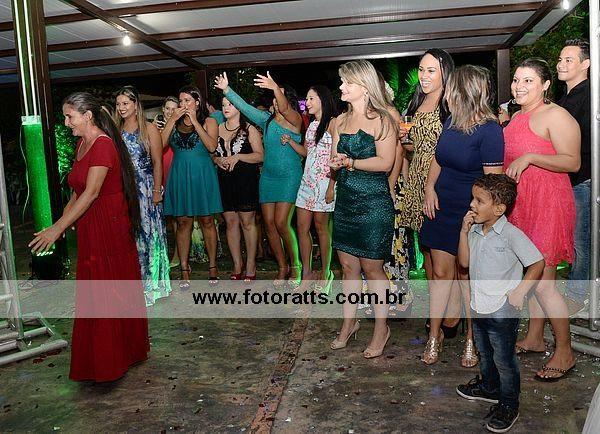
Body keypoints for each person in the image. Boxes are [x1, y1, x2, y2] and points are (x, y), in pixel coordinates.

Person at [29, 92, 149, 382]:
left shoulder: (103, 145)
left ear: (87, 116)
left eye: (69, 117)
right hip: (90, 224)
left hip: (109, 224)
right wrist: (63, 219)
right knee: (95, 290)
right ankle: (101, 357)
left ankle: (116, 357)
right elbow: (78, 190)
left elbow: (93, 192)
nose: (66, 123)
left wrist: (58, 228)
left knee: (110, 289)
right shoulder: (82, 144)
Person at [420, 65, 504, 366]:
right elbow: (438, 159)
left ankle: (472, 338)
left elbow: (493, 184)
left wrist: (476, 215)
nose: (447, 95)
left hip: (470, 210)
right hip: (441, 205)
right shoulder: (451, 121)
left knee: (467, 277)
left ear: (464, 92)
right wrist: (429, 189)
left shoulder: (490, 130)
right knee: (440, 275)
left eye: (451, 89)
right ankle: (434, 335)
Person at [504, 57, 579, 381]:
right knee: (533, 274)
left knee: (545, 284)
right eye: (516, 80)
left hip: (548, 205)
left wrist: (532, 156)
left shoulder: (556, 115)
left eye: (528, 81)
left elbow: (572, 162)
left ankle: (565, 351)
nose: (519, 86)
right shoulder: (516, 117)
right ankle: (535, 337)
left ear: (546, 85)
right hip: (522, 205)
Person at [456, 174, 544, 433]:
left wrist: (520, 292)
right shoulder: (474, 230)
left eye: (479, 201)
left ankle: (508, 403)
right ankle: (489, 388)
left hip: (502, 309)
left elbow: (537, 263)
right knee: (485, 352)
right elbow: (464, 263)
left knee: (504, 360)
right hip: (479, 305)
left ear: (499, 209)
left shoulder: (510, 234)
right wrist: (463, 232)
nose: (472, 204)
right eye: (472, 198)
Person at [328, 60, 396, 358]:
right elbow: (335, 159)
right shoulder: (339, 122)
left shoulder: (383, 120)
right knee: (348, 268)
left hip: (374, 204)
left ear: (364, 87)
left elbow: (386, 163)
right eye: (342, 81)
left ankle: (381, 328)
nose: (341, 87)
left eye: (347, 82)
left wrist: (351, 162)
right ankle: (349, 323)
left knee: (372, 268)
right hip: (346, 203)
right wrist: (335, 163)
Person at [214, 71, 304, 289]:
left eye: (279, 95)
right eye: (274, 95)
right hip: (268, 178)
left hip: (289, 177)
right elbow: (245, 108)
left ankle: (296, 264)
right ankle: (282, 266)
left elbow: (285, 109)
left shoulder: (295, 121)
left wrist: (274, 87)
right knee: (269, 225)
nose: (275, 99)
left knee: (281, 222)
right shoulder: (267, 120)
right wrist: (227, 90)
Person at [397, 49, 462, 332]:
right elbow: (416, 145)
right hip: (416, 179)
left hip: (441, 180)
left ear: (445, 72)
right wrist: (405, 140)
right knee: (427, 253)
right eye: (421, 69)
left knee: (445, 254)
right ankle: (440, 307)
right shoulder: (417, 100)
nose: (424, 76)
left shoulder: (452, 102)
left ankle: (454, 310)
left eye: (431, 70)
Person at [161, 85, 222, 288]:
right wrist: (171, 120)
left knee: (207, 221)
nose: (183, 104)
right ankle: (184, 269)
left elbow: (211, 146)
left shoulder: (210, 121)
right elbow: (160, 145)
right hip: (180, 175)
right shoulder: (174, 122)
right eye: (181, 101)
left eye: (187, 100)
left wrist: (195, 121)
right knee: (183, 222)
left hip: (202, 175)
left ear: (197, 102)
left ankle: (213, 267)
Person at [115, 86, 171, 305]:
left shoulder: (148, 128)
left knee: (149, 237)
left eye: (125, 103)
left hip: (146, 190)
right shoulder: (116, 131)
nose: (121, 108)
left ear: (136, 104)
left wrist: (157, 191)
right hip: (125, 190)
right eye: (118, 104)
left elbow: (157, 162)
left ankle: (151, 287)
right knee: (129, 238)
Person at [281, 85, 337, 294]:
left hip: (325, 183)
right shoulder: (312, 125)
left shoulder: (333, 123)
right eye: (307, 99)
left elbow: (336, 157)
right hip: (307, 183)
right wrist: (291, 142)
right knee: (302, 227)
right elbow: (307, 152)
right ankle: (307, 274)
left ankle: (326, 273)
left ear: (322, 99)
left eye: (311, 98)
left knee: (322, 229)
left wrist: (331, 186)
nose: (307, 103)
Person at [556, 39, 591, 314]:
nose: (561, 64)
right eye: (560, 59)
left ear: (585, 64)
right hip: (568, 179)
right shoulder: (564, 98)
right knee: (572, 239)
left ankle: (579, 296)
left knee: (582, 241)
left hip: (584, 179)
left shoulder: (590, 94)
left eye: (569, 60)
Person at [214, 95, 263, 281]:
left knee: (247, 223)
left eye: (230, 104)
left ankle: (250, 264)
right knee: (230, 222)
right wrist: (217, 160)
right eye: (223, 104)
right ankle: (237, 263)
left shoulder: (250, 129)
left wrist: (239, 157)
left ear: (240, 107)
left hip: (246, 180)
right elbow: (211, 153)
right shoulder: (217, 128)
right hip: (224, 180)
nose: (226, 107)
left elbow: (260, 156)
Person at [154, 96, 181, 267]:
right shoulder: (154, 129)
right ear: (163, 110)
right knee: (160, 217)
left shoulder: (182, 128)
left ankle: (179, 254)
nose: (170, 112)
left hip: (175, 173)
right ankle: (159, 255)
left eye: (174, 109)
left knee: (178, 217)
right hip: (159, 174)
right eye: (168, 108)